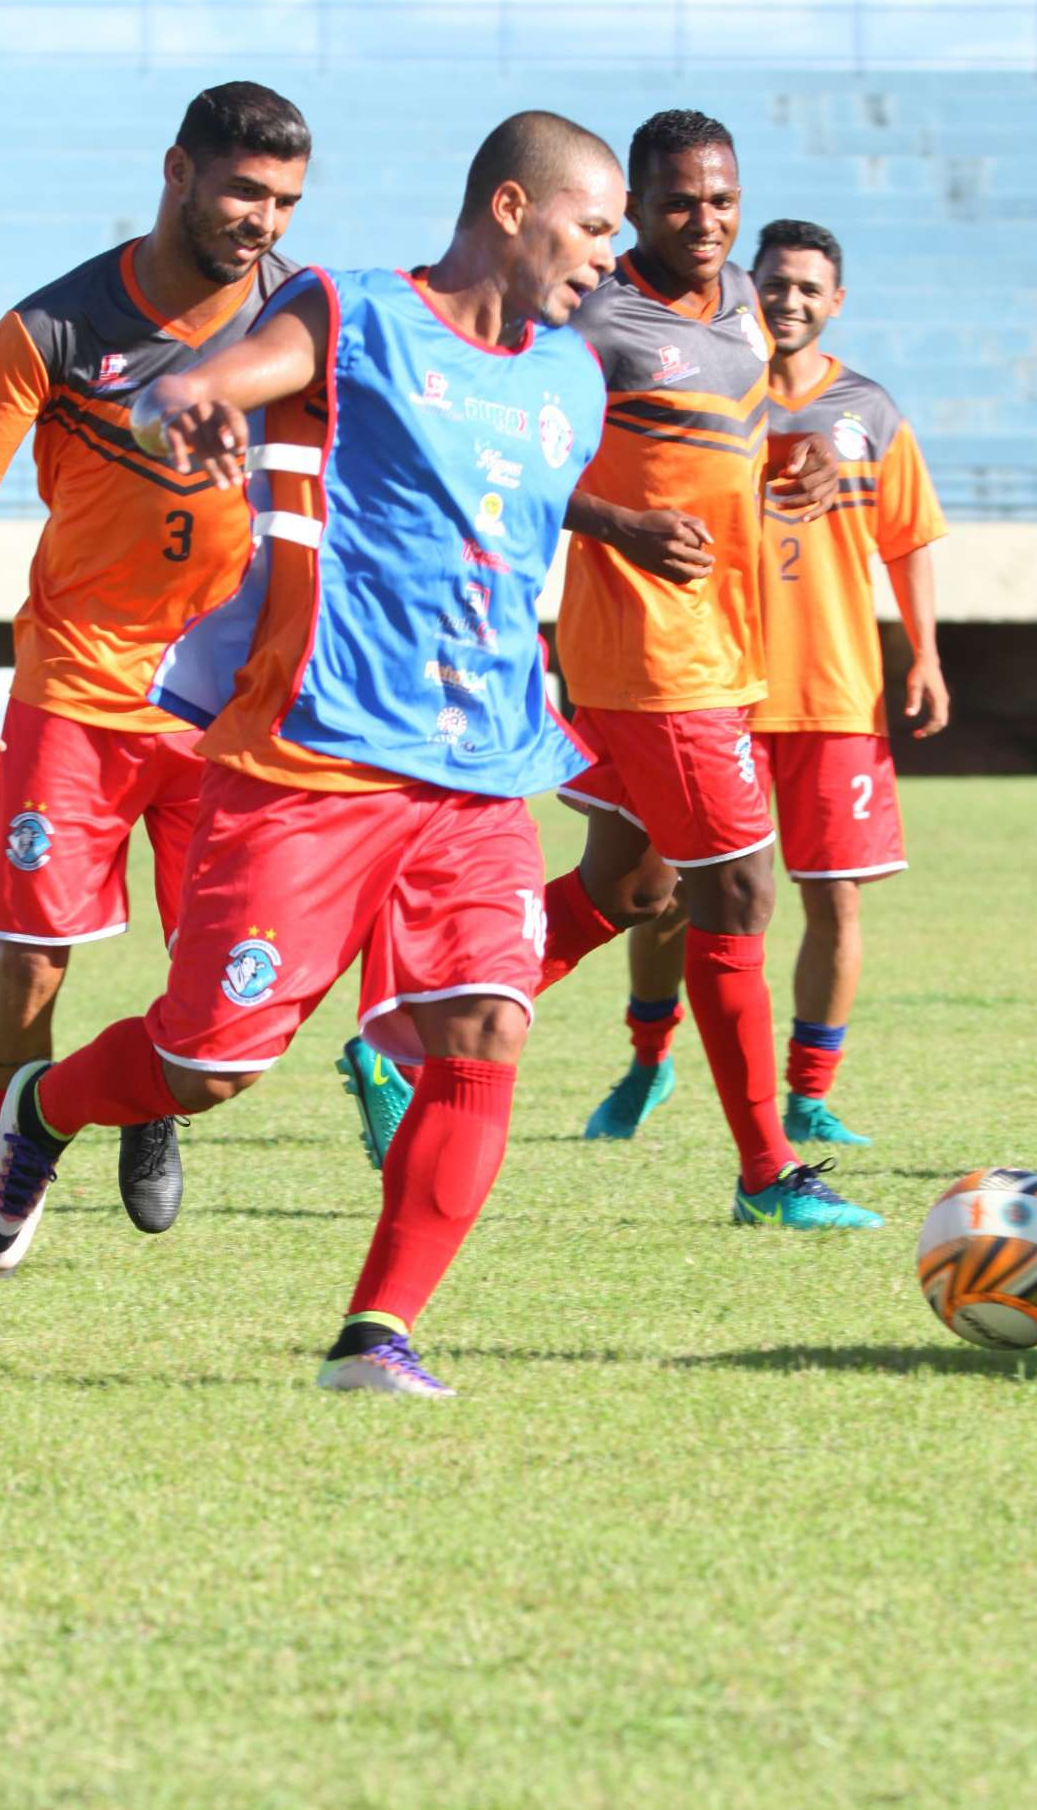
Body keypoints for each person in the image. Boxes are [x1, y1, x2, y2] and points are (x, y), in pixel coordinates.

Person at [0, 110, 629, 1397]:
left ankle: (376, 1335)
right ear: (511, 206)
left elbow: (493, 514)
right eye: (592, 225)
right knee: (206, 1061)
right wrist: (193, 407)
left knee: (487, 1023)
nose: (609, 253)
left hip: (482, 767)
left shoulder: (570, 381)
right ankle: (42, 1114)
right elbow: (197, 384)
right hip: (315, 756)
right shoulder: (353, 311)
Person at [345, 108, 879, 1227]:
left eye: (722, 200)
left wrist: (805, 452)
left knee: (633, 887)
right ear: (632, 204)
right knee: (737, 887)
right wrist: (612, 522)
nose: (705, 221)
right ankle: (768, 1172)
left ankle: (395, 1036)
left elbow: (737, 427)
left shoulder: (737, 299)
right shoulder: (593, 317)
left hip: (725, 639)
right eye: (680, 201)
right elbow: (502, 444)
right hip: (649, 648)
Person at [0, 82, 310, 1268]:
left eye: (285, 199)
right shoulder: (60, 324)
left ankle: (133, 1097)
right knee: (30, 960)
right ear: (178, 171)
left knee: (221, 985)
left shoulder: (304, 315)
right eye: (244, 189)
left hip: (229, 708)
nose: (263, 219)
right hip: (78, 691)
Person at [585, 217, 949, 1150]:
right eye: (774, 283)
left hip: (829, 692)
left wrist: (927, 654)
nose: (788, 300)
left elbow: (906, 540)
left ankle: (807, 1096)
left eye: (807, 288)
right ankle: (647, 1059)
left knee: (827, 897)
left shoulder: (864, 412)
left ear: (835, 303)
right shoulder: (708, 387)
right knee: (657, 889)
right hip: (710, 681)